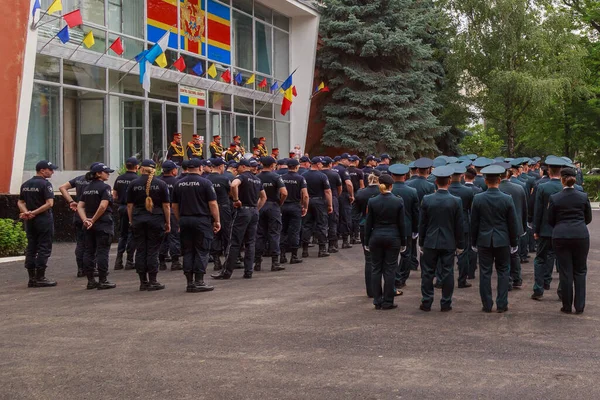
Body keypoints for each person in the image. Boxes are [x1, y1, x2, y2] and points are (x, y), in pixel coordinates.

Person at [471, 165, 520, 313]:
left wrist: (473, 242)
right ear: (499, 180)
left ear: (486, 181)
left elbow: (474, 223)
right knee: (503, 272)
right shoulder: (507, 199)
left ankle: (487, 304)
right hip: (502, 240)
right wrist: (514, 242)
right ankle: (502, 303)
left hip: (484, 240)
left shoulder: (478, 198)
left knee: (485, 273)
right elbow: (512, 223)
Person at [418, 166, 464, 312]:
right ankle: (446, 303)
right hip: (448, 242)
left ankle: (427, 302)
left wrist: (421, 242)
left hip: (430, 241)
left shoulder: (427, 199)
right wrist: (460, 244)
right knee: (448, 272)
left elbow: (422, 223)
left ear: (436, 181)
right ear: (449, 181)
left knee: (427, 273)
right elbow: (459, 225)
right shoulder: (456, 201)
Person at [212, 158, 266, 280]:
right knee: (250, 242)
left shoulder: (241, 177)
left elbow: (234, 185)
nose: (236, 170)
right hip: (253, 211)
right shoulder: (257, 179)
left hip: (242, 212)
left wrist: (236, 200)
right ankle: (248, 271)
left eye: (238, 168)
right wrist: (256, 209)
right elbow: (263, 197)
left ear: (242, 167)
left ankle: (227, 272)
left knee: (234, 242)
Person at [548, 167, 592, 314]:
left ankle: (566, 306)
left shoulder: (555, 198)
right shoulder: (583, 196)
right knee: (580, 271)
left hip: (561, 235)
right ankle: (579, 306)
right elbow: (588, 218)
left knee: (565, 272)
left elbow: (550, 219)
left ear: (562, 179)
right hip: (580, 234)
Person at [172, 158, 220, 293]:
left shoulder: (178, 183)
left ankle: (189, 282)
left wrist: (179, 219)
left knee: (188, 250)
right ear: (200, 168)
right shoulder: (205, 183)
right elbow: (212, 204)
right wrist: (217, 220)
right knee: (201, 250)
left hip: (185, 220)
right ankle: (199, 281)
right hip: (201, 220)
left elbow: (174, 206)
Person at [127, 159, 171, 291]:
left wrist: (131, 220)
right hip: (156, 219)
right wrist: (168, 222)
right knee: (153, 250)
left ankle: (143, 281)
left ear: (141, 169)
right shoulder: (161, 184)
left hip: (138, 219)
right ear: (154, 170)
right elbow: (166, 206)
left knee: (141, 250)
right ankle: (153, 280)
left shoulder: (133, 184)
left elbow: (130, 205)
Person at [364, 174, 406, 310]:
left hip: (376, 237)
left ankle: (377, 300)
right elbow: (402, 224)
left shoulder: (372, 201)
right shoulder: (398, 201)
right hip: (393, 237)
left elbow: (368, 223)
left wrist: (366, 240)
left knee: (376, 269)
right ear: (391, 186)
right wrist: (404, 242)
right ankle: (388, 301)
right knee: (390, 269)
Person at [18, 160, 59, 288]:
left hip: (30, 221)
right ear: (42, 170)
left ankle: (31, 278)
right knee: (44, 247)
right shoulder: (46, 184)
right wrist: (34, 212)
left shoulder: (25, 184)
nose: (52, 172)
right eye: (50, 169)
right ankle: (40, 277)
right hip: (43, 219)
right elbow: (49, 203)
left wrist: (26, 213)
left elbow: (20, 202)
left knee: (31, 247)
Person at [77, 163, 117, 290]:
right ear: (98, 173)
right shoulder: (105, 187)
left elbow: (80, 206)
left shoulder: (87, 188)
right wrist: (93, 220)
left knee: (89, 252)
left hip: (88, 225)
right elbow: (103, 206)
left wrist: (86, 220)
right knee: (102, 252)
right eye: (106, 172)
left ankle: (90, 280)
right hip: (102, 223)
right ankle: (103, 280)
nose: (108, 174)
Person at [531, 156, 565, 301]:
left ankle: (539, 288)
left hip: (545, 230)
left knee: (540, 259)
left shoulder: (542, 187)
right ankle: (562, 291)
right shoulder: (568, 187)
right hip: (563, 231)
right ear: (561, 170)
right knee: (563, 261)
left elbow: (538, 211)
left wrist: (536, 230)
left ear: (549, 171)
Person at [254, 156, 288, 272]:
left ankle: (257, 262)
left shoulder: (256, 177)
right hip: (273, 205)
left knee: (259, 234)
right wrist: (280, 203)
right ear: (272, 165)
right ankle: (275, 262)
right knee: (274, 233)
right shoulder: (276, 177)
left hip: (260, 205)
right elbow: (284, 193)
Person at [389, 164, 419, 290]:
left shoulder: (389, 190)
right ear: (405, 176)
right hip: (406, 227)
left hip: (391, 227)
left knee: (392, 255)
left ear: (392, 176)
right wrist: (415, 229)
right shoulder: (412, 191)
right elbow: (415, 212)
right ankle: (402, 278)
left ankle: (395, 277)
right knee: (406, 254)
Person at [353, 170, 382, 297]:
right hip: (381, 227)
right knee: (385, 260)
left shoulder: (361, 193)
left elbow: (354, 214)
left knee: (369, 260)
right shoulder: (382, 193)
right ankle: (386, 289)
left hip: (365, 226)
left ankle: (371, 291)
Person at [498, 164, 527, 289]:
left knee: (503, 256)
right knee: (514, 253)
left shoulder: (495, 189)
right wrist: (524, 226)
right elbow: (524, 209)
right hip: (516, 226)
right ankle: (516, 278)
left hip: (500, 227)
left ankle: (508, 280)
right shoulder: (519, 188)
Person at [59, 169, 91, 277]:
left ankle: (80, 269)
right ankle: (89, 268)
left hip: (78, 215)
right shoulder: (95, 182)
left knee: (80, 243)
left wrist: (71, 201)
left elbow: (62, 187)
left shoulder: (79, 179)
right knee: (91, 244)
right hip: (90, 215)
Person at [447, 164, 475, 289]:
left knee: (446, 254)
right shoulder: (468, 191)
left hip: (447, 224)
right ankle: (462, 279)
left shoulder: (446, 189)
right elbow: (471, 209)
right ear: (462, 176)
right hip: (463, 224)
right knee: (463, 253)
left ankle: (442, 279)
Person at [406, 157, 436, 272]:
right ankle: (424, 265)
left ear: (417, 170)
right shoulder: (430, 186)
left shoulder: (409, 183)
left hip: (411, 215)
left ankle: (412, 263)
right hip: (425, 216)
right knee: (423, 242)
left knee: (411, 242)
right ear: (428, 170)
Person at [301, 157, 333, 258]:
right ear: (317, 164)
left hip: (307, 201)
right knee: (322, 224)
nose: (322, 165)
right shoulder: (322, 176)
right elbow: (327, 192)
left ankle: (305, 250)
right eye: (321, 164)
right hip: (319, 201)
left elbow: (301, 191)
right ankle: (322, 249)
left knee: (306, 225)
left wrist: (302, 203)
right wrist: (330, 205)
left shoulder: (303, 175)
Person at [112, 157, 139, 271]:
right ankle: (129, 260)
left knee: (122, 235)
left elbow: (114, 195)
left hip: (121, 207)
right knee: (132, 234)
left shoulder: (119, 178)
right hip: (133, 209)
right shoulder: (137, 179)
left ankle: (118, 261)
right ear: (137, 167)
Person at [280, 158, 309, 265]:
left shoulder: (281, 178)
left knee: (282, 230)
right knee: (295, 231)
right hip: (295, 206)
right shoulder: (300, 178)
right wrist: (305, 207)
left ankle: (282, 256)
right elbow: (305, 195)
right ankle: (294, 256)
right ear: (297, 167)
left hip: (283, 206)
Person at [206, 158, 232, 271]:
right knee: (227, 234)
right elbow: (231, 193)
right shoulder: (225, 179)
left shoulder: (206, 180)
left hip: (210, 209)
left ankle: (216, 259)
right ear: (221, 166)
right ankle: (227, 259)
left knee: (214, 234)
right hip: (224, 208)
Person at [158, 161, 182, 271]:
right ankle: (175, 261)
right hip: (172, 211)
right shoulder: (177, 182)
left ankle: (161, 261)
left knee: (161, 237)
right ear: (173, 171)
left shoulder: (157, 181)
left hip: (159, 212)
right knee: (174, 236)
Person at [322, 157, 343, 254]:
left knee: (321, 223)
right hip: (333, 198)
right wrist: (335, 197)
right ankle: (331, 245)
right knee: (333, 222)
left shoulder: (319, 174)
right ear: (330, 164)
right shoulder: (335, 174)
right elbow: (340, 188)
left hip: (320, 199)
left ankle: (321, 246)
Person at [334, 154, 355, 249]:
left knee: (335, 218)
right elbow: (349, 184)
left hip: (334, 196)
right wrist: (351, 195)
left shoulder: (333, 169)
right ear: (343, 160)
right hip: (343, 195)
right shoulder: (343, 170)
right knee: (346, 217)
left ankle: (334, 241)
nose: (350, 162)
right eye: (348, 160)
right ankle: (345, 241)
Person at [348, 156, 365, 244]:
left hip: (347, 195)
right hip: (357, 195)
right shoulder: (359, 171)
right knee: (356, 216)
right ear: (355, 161)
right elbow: (362, 186)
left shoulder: (345, 170)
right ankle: (356, 236)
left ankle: (350, 236)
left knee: (349, 216)